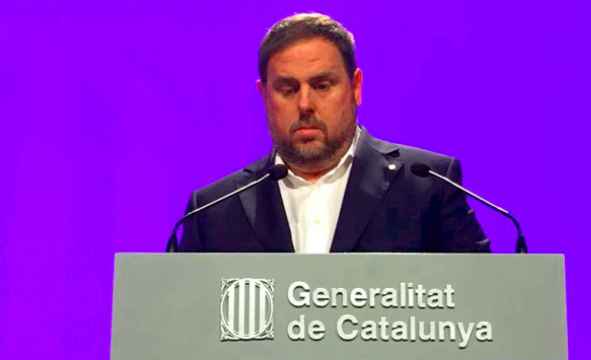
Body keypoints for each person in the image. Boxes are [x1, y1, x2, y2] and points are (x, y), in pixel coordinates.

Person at [178, 13, 490, 253]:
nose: (304, 104)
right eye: (287, 89)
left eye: (322, 85)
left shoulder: (427, 185)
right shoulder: (213, 210)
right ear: (264, 96)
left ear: (355, 88)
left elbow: (481, 300)